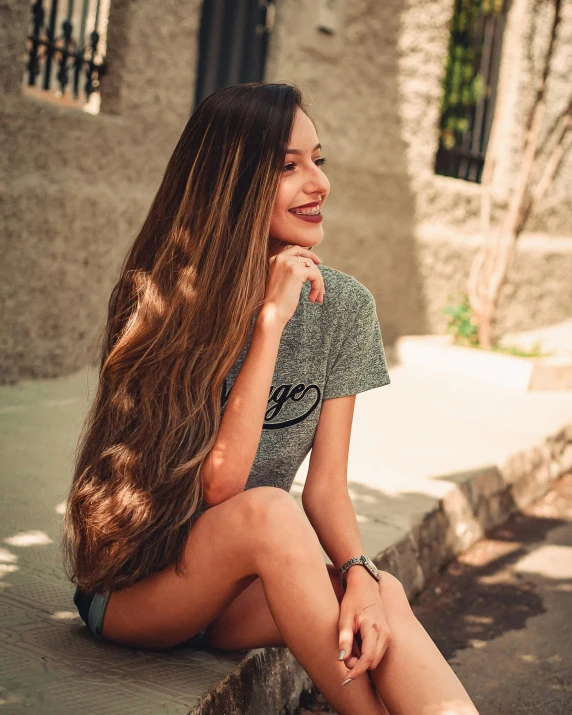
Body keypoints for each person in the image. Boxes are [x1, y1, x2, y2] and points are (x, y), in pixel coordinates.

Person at [63, 82, 479, 715]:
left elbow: (327, 488)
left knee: (380, 593)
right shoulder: (166, 300)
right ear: (232, 183)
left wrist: (361, 573)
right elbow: (223, 488)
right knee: (269, 512)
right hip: (136, 587)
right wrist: (270, 323)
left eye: (319, 160)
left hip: (234, 593)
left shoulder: (343, 306)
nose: (317, 183)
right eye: (288, 167)